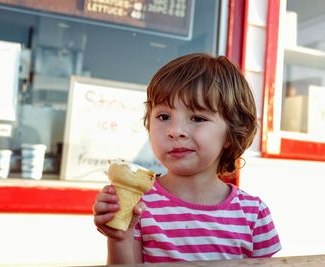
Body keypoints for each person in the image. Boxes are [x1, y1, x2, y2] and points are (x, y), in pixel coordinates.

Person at [93, 53, 281, 264]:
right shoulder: (139, 206)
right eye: (163, 117)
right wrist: (120, 238)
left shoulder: (253, 214)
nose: (175, 131)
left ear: (231, 133)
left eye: (197, 118)